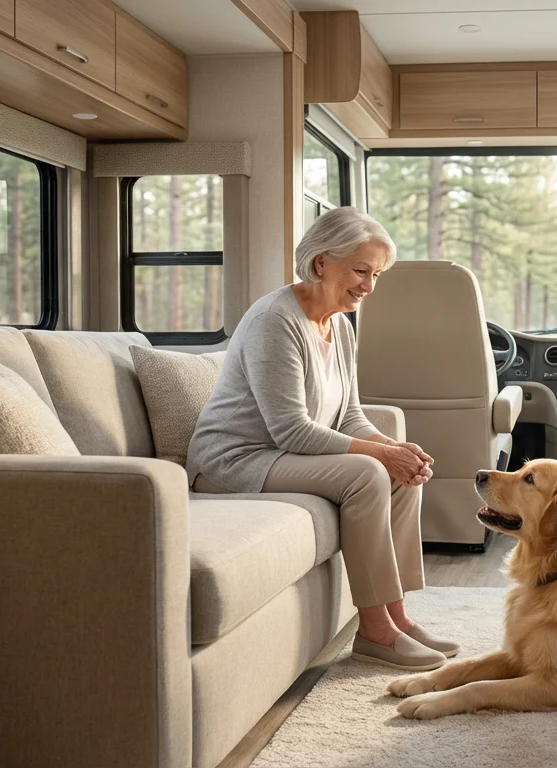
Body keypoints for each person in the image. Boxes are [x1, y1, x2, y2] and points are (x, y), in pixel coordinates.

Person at [187, 206, 456, 671]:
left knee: (401, 469)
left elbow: (348, 414)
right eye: (360, 271)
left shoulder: (341, 326)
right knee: (369, 473)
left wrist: (395, 451)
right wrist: (381, 456)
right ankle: (375, 634)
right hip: (232, 462)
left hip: (280, 454)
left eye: (376, 275)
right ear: (320, 263)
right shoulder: (276, 320)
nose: (369, 287)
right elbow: (290, 428)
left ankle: (397, 618)